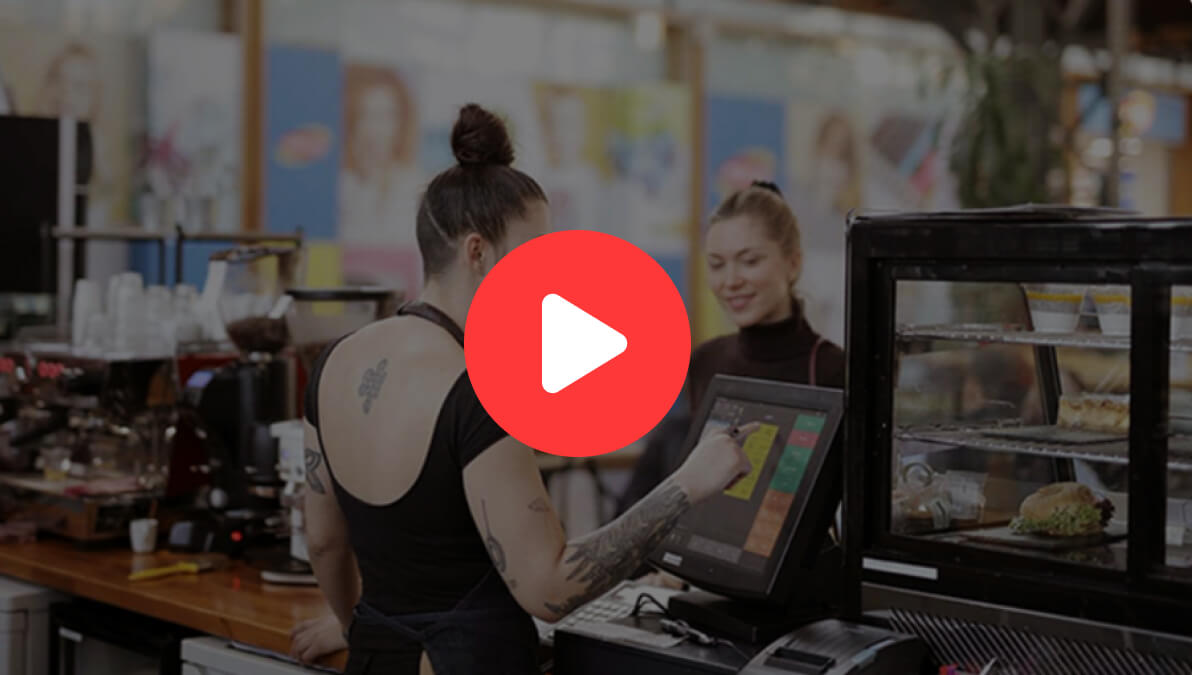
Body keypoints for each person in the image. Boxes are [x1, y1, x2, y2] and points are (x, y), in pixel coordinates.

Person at [295, 103, 754, 674]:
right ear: (477, 252)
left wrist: (350, 625)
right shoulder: (480, 389)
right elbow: (550, 588)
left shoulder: (335, 362)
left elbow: (323, 543)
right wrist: (686, 485)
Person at [619, 180, 845, 513]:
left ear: (793, 262)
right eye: (717, 264)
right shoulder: (706, 360)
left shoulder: (833, 369)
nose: (730, 281)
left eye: (749, 261)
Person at [340, 65, 423, 245]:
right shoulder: (344, 185)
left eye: (385, 116)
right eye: (366, 115)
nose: (375, 130)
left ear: (401, 123)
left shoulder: (414, 185)